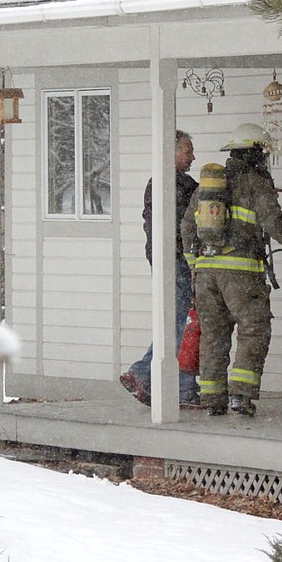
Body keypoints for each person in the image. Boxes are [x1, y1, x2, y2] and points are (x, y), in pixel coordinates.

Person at [180, 123, 282, 417]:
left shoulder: (207, 187)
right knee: (254, 330)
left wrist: (194, 263)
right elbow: (275, 221)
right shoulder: (254, 183)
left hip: (206, 274)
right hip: (241, 275)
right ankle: (241, 395)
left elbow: (187, 226)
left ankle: (212, 399)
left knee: (213, 335)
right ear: (256, 152)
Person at [119, 130, 201, 407]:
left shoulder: (170, 183)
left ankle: (180, 385)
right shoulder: (172, 185)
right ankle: (145, 373)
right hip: (177, 262)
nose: (192, 156)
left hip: (168, 261)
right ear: (171, 153)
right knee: (181, 323)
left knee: (178, 321)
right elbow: (187, 224)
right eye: (187, 151)